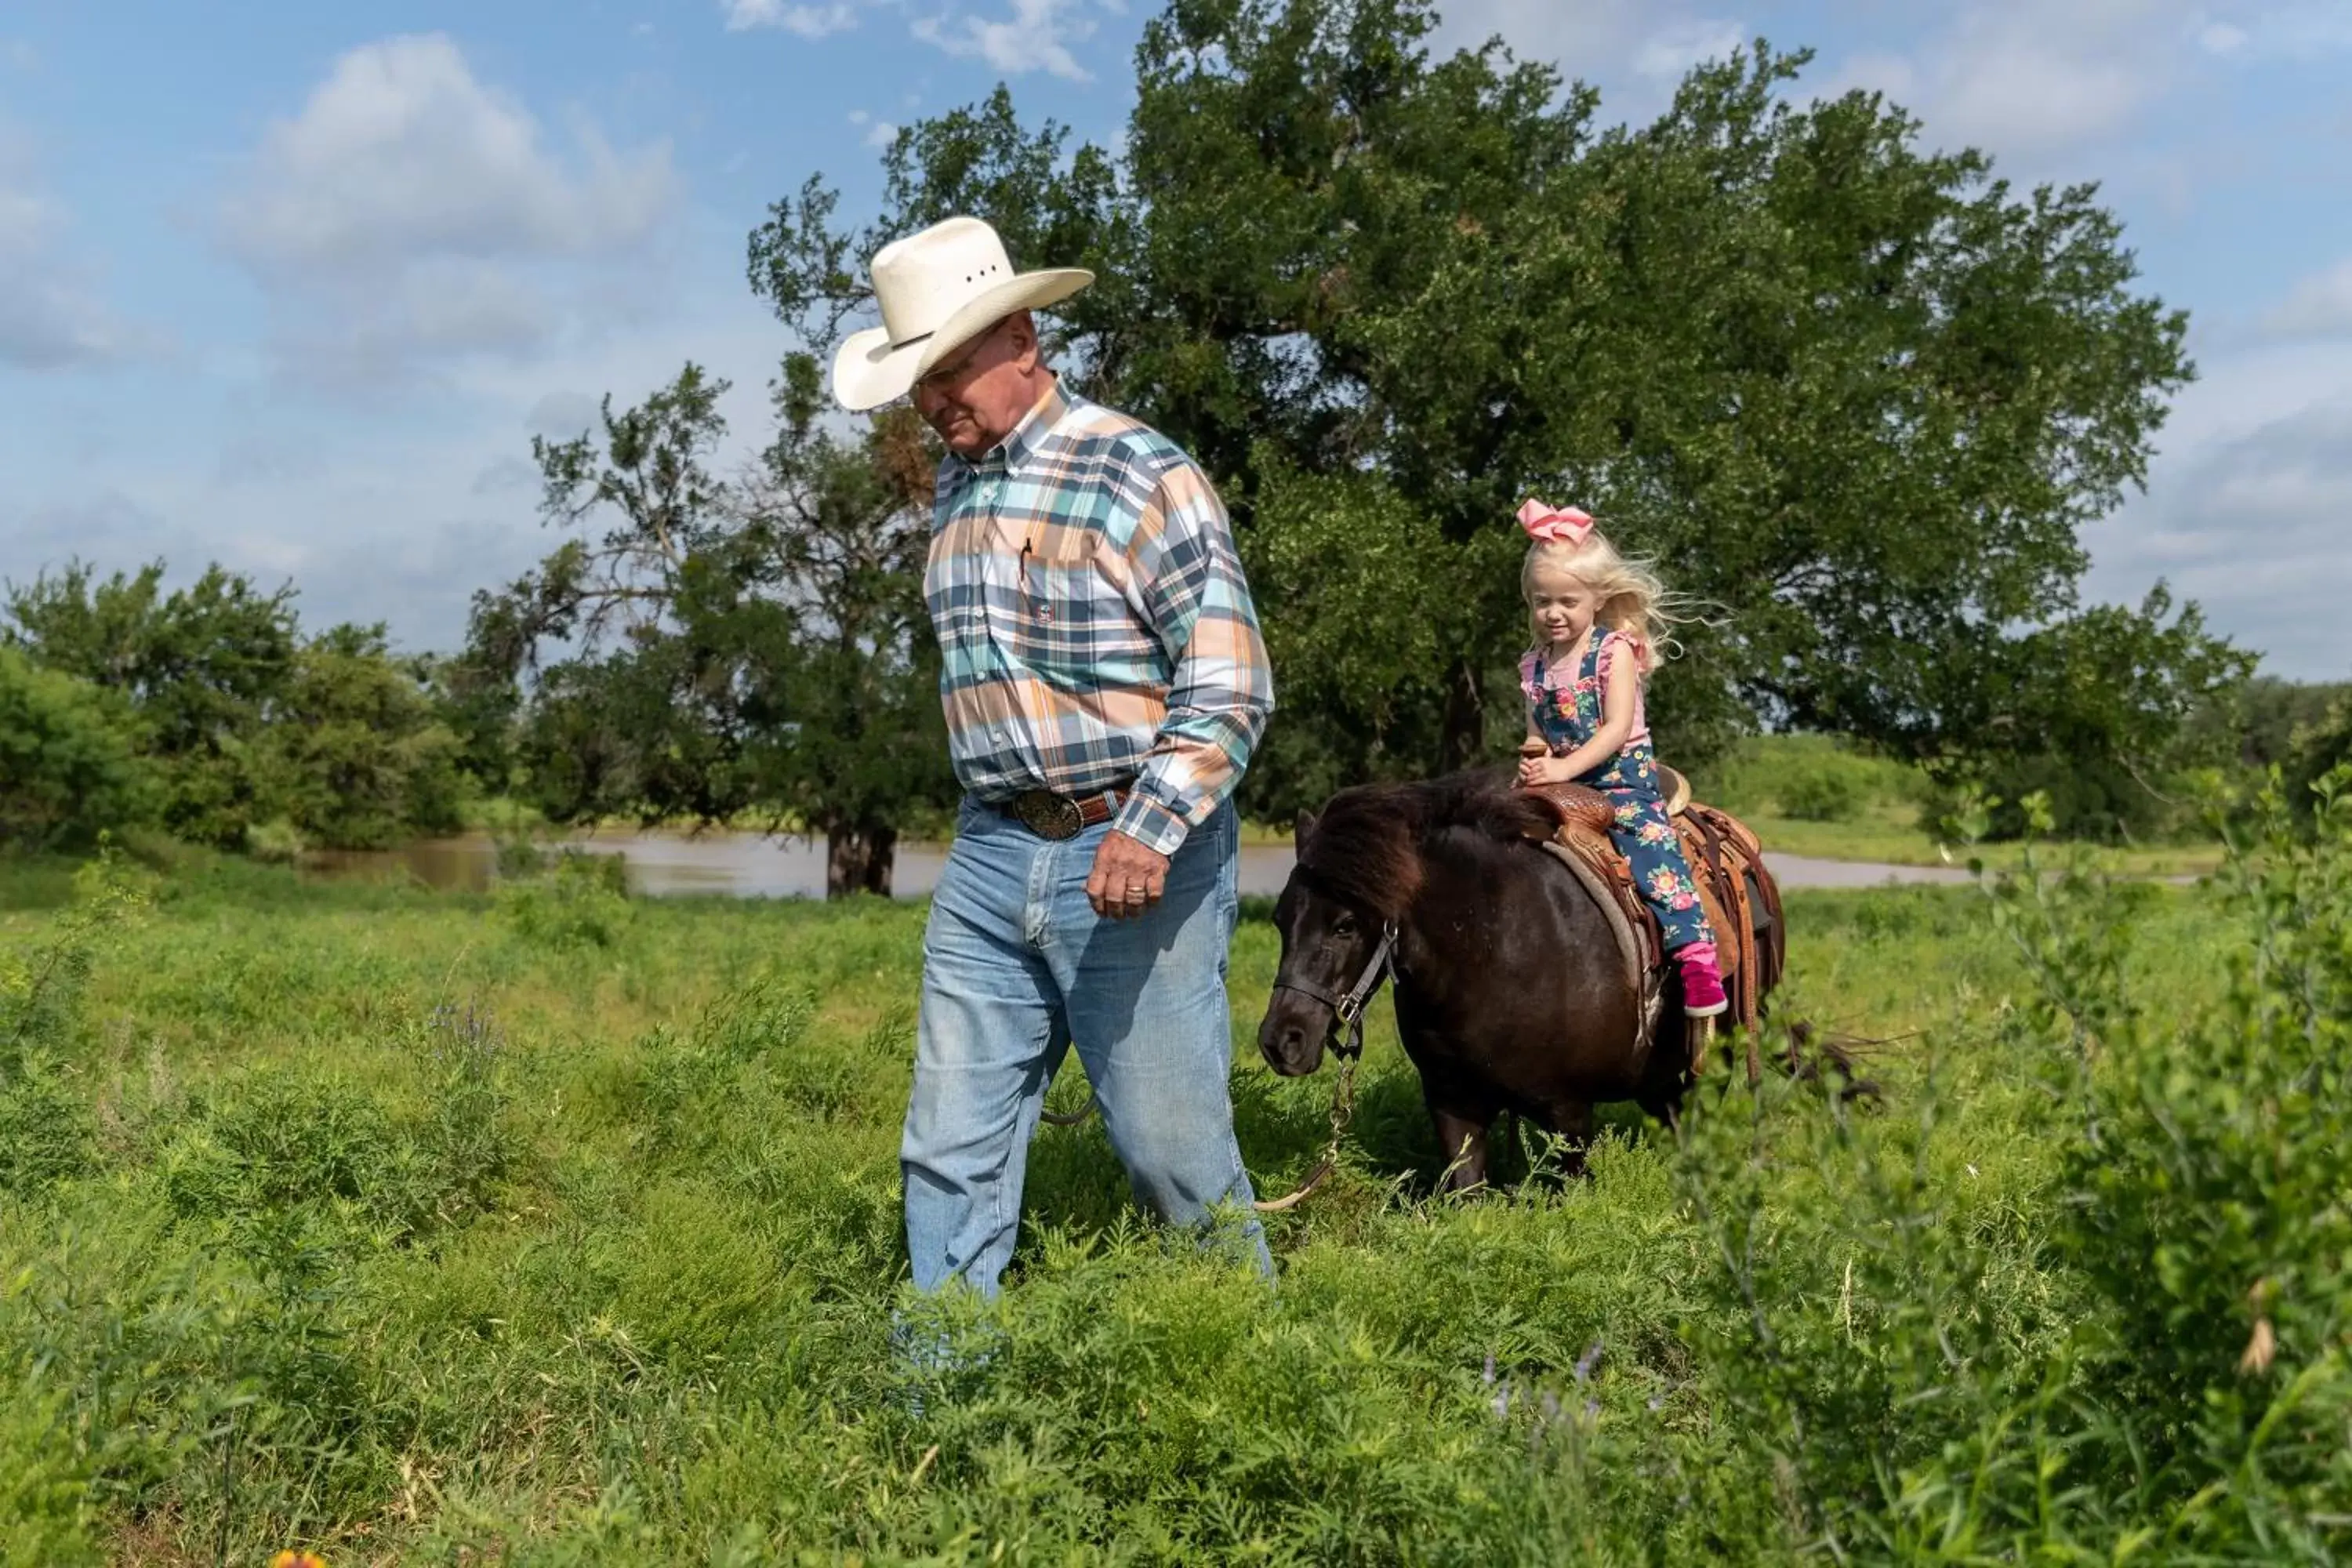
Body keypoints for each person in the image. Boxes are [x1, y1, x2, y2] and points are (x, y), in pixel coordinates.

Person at [832, 215, 1276, 1298]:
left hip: (1133, 854)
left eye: (950, 371)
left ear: (1023, 337)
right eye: (917, 382)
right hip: (991, 855)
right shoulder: (956, 489)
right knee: (948, 1146)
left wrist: (1149, 823)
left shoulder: (1138, 472)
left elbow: (1229, 679)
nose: (934, 402)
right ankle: (943, 1402)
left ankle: (1256, 1371)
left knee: (1171, 1154)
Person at [1512, 499, 1728, 1018]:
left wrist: (1562, 767)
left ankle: (1696, 957)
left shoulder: (1615, 652)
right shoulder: (1533, 665)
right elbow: (1536, 734)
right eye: (1543, 601)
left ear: (1597, 598)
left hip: (1619, 782)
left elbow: (1614, 729)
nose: (1554, 613)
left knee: (1653, 855)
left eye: (1567, 600)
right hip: (1560, 786)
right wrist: (1534, 765)